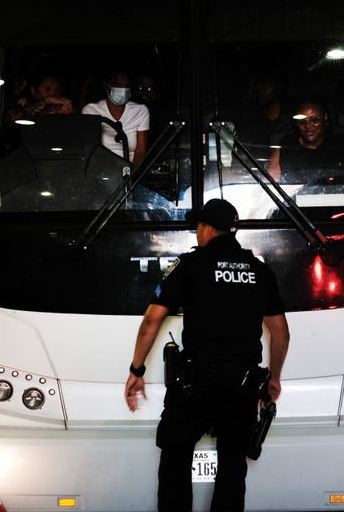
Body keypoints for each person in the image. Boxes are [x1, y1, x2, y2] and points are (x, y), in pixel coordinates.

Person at [124, 198, 290, 512]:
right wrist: (275, 379)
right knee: (232, 468)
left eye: (199, 226)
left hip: (195, 384)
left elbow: (151, 321)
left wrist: (137, 369)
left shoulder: (191, 265)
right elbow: (281, 331)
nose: (197, 232)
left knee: (175, 459)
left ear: (208, 228)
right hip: (241, 386)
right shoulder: (259, 271)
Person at [267, 100, 344, 184]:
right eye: (302, 121)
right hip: (294, 206)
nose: (308, 126)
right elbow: (270, 186)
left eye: (314, 120)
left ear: (325, 118)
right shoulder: (284, 147)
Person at [82, 70, 150, 167]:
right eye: (118, 85)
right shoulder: (91, 110)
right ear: (107, 87)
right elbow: (92, 149)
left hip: (130, 172)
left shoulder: (140, 110)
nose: (123, 89)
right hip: (100, 170)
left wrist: (131, 175)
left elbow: (140, 151)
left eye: (126, 86)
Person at [5, 71, 74, 125]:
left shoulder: (62, 109)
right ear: (33, 90)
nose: (52, 94)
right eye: (47, 89)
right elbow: (10, 120)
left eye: (57, 91)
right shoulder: (24, 107)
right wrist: (46, 100)